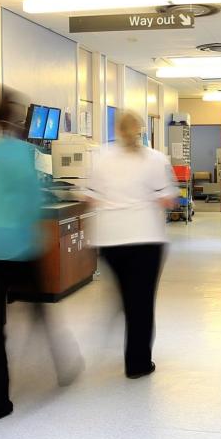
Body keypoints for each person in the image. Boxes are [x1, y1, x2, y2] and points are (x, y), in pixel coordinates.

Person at [0, 94, 80, 423]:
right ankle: (63, 366)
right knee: (40, 310)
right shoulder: (22, 152)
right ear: (17, 121)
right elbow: (32, 199)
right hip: (20, 245)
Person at [87, 111, 176, 378]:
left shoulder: (101, 156)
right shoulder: (155, 158)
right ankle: (137, 364)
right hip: (145, 238)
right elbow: (169, 200)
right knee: (142, 302)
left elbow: (91, 197)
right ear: (141, 130)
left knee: (130, 296)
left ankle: (125, 310)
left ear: (116, 129)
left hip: (110, 241)